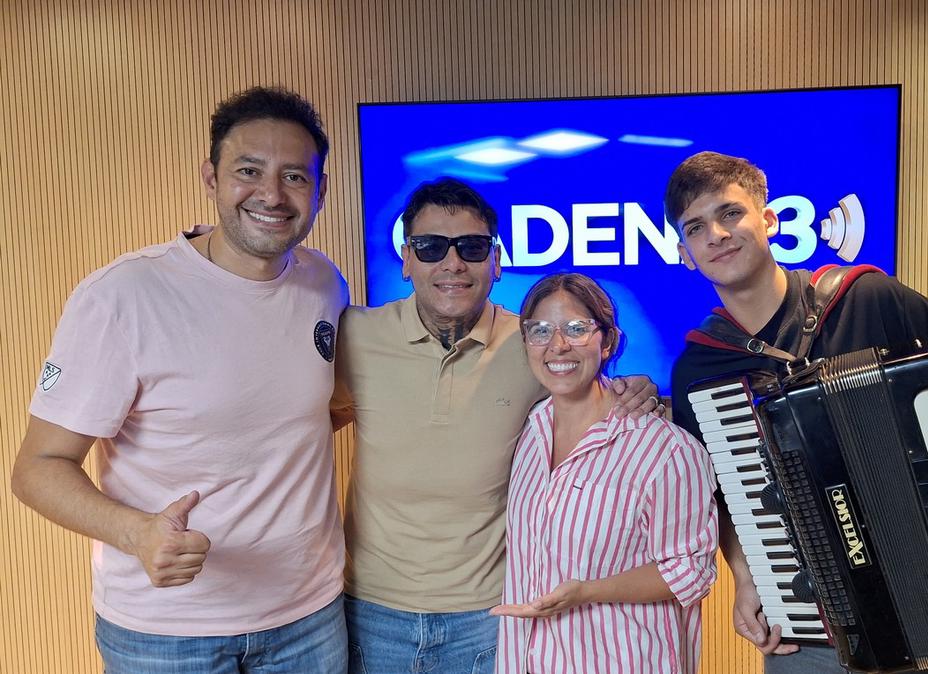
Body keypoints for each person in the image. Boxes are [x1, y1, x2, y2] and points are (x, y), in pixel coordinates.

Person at [9, 86, 349, 672]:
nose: (271, 194)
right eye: (249, 170)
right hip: (168, 632)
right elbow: (37, 469)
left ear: (320, 192)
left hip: (309, 617)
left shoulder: (324, 282)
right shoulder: (121, 297)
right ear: (211, 179)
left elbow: (303, 410)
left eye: (295, 176)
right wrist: (137, 533)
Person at [666, 151, 928, 674]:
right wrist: (747, 576)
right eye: (697, 227)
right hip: (812, 623)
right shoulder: (701, 366)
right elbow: (722, 492)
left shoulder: (866, 298)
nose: (717, 235)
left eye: (730, 213)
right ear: (685, 252)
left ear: (769, 220)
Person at [330, 178, 660, 673]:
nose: (452, 262)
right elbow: (292, 422)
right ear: (405, 258)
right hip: (371, 614)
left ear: (496, 259)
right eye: (431, 247)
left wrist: (643, 391)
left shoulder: (530, 344)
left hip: (488, 616)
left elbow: (590, 392)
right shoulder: (355, 335)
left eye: (472, 246)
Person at [491, 273, 719, 674]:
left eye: (577, 329)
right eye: (540, 330)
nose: (557, 345)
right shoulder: (527, 430)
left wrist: (589, 591)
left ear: (608, 340)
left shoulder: (666, 450)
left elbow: (690, 572)